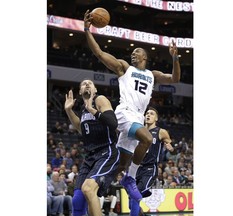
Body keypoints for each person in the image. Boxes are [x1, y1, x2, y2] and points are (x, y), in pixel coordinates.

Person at [83, 9, 181, 201]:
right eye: (132, 53)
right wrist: (87, 30)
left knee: (121, 162)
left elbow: (175, 78)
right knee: (147, 138)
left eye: (137, 53)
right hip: (125, 113)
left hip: (136, 117)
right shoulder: (124, 68)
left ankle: (100, 185)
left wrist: (175, 58)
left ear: (145, 57)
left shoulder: (153, 75)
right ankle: (131, 178)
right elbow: (100, 54)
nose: (133, 55)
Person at [64, 79, 120, 216]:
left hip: (107, 152)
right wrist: (69, 110)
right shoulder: (83, 109)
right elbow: (81, 129)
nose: (87, 84)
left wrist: (92, 110)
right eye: (83, 83)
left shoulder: (100, 100)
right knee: (77, 200)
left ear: (95, 90)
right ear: (80, 91)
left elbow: (113, 124)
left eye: (90, 83)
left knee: (88, 189)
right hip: (90, 157)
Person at [129, 107, 174, 216]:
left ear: (156, 118)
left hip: (149, 169)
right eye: (147, 113)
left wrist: (170, 147)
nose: (148, 115)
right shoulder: (139, 131)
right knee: (131, 203)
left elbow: (170, 144)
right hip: (136, 168)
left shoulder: (161, 132)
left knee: (136, 196)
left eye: (152, 114)